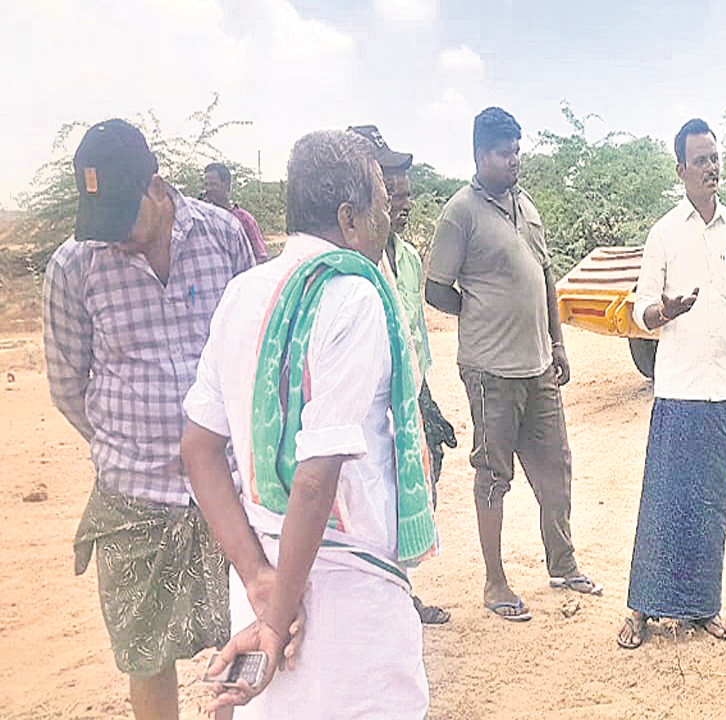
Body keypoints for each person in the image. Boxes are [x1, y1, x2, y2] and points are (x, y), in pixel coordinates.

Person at [181, 129, 436, 717]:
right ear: (349, 218)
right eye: (381, 202)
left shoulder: (242, 293)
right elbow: (316, 477)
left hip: (266, 570)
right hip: (342, 593)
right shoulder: (353, 297)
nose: (389, 217)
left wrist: (261, 585)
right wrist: (275, 622)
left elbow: (198, 448)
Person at [43, 118, 255, 720]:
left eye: (122, 219)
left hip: (231, 485)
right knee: (144, 652)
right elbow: (65, 384)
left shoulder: (223, 238)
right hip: (134, 498)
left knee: (243, 633)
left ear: (157, 188)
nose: (114, 239)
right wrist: (131, 442)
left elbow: (252, 348)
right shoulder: (74, 267)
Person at [426, 106, 599, 622]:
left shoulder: (526, 204)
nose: (515, 160)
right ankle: (495, 582)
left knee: (556, 468)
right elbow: (437, 289)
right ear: (481, 155)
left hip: (538, 366)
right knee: (492, 475)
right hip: (490, 372)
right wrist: (477, 309)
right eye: (505, 152)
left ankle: (563, 562)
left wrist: (559, 344)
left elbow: (545, 276)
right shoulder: (460, 213)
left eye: (518, 151)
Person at [616, 118, 726, 650]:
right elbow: (639, 310)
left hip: (724, 391)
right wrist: (663, 311)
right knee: (663, 502)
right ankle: (641, 609)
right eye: (700, 160)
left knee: (710, 506)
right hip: (677, 391)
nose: (711, 168)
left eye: (714, 158)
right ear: (680, 170)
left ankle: (704, 608)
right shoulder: (664, 232)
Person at [348, 123, 456, 626]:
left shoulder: (407, 259)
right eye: (390, 188)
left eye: (404, 191)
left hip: (410, 393)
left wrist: (424, 400)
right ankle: (382, 598)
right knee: (367, 496)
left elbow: (415, 337)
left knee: (413, 487)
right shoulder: (348, 268)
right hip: (368, 405)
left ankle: (398, 587)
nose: (399, 200)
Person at [204, 162, 269, 263]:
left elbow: (261, 257)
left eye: (213, 184)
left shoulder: (245, 220)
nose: (208, 189)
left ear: (227, 186)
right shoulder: (203, 220)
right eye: (206, 184)